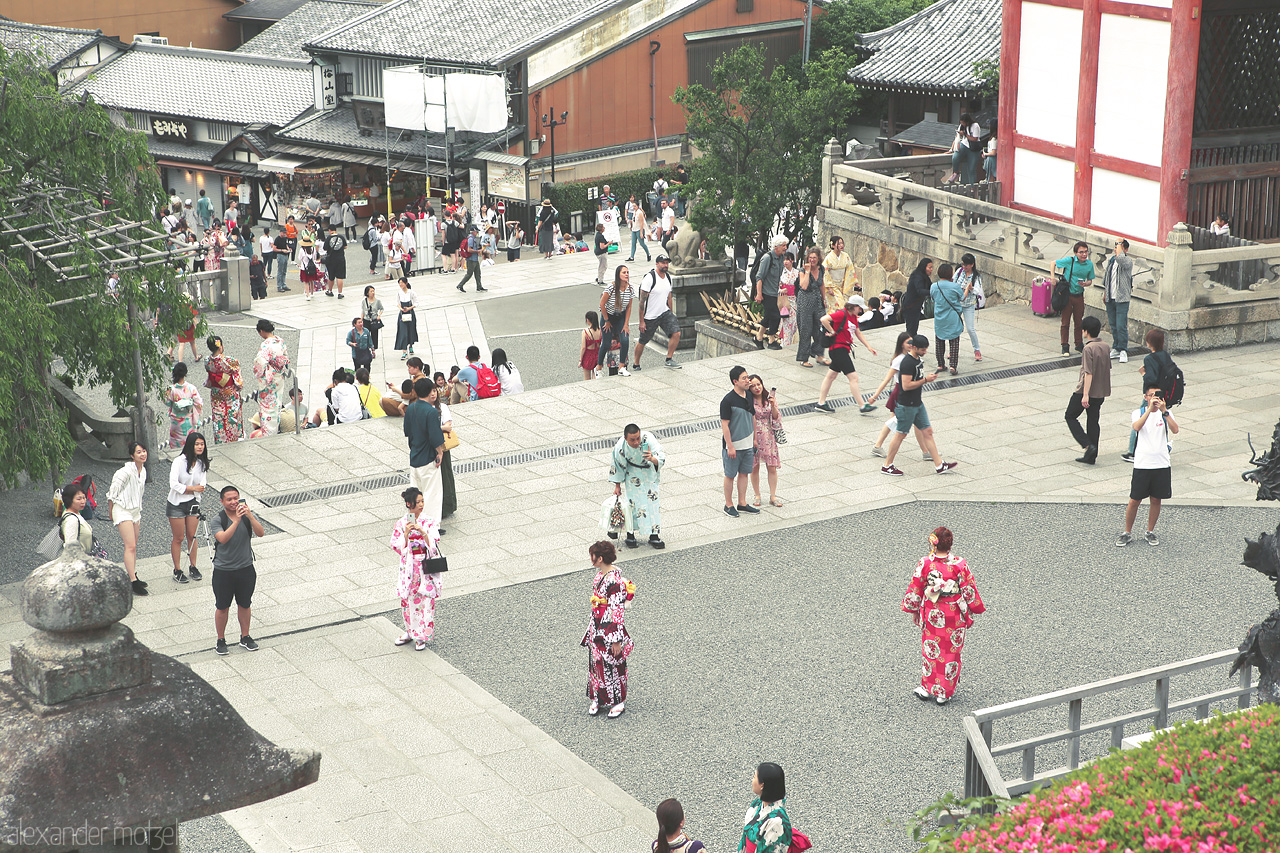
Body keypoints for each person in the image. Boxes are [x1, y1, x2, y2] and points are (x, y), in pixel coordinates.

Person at [900, 526, 985, 704]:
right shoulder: (959, 564)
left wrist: (914, 611)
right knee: (950, 651)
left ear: (933, 543)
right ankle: (944, 692)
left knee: (931, 649)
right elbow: (969, 589)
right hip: (953, 613)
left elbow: (916, 587)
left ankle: (926, 688)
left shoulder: (925, 563)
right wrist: (973, 608)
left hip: (932, 611)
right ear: (950, 544)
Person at [881, 336, 959, 477]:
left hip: (917, 403)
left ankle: (939, 465)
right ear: (914, 348)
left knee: (927, 431)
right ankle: (887, 465)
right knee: (901, 434)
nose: (925, 352)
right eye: (923, 349)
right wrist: (925, 380)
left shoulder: (917, 360)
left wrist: (925, 378)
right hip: (906, 405)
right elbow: (906, 385)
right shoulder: (907, 363)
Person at [1117, 386, 1178, 547]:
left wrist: (1164, 411)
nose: (1155, 398)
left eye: (1157, 395)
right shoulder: (1138, 412)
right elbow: (1136, 427)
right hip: (1143, 463)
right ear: (1146, 397)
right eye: (1152, 395)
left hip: (1161, 462)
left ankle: (1150, 531)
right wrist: (1149, 410)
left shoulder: (1166, 413)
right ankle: (1127, 532)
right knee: (1134, 500)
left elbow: (1175, 429)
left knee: (1156, 499)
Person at [580, 540, 634, 718]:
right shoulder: (600, 576)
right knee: (596, 664)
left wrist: (616, 639)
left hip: (610, 627)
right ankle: (598, 697)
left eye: (592, 556)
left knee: (614, 663)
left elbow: (616, 611)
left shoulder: (615, 582)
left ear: (600, 558)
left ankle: (618, 701)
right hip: (597, 624)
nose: (591, 559)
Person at [209, 485, 265, 655]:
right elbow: (223, 538)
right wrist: (236, 521)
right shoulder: (217, 520)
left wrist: (250, 517)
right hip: (223, 571)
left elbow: (260, 533)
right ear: (222, 501)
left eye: (236, 498)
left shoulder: (247, 516)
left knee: (245, 603)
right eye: (229, 499)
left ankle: (245, 636)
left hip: (245, 568)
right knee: (222, 606)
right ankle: (220, 639)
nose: (234, 502)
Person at [389, 487, 443, 650]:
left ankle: (422, 636)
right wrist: (406, 534)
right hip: (409, 565)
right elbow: (396, 546)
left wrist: (422, 532)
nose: (421, 505)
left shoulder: (428, 521)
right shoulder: (401, 523)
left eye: (422, 501)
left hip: (424, 564)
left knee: (425, 599)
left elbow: (434, 542)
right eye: (417, 502)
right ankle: (410, 631)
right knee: (408, 599)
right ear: (409, 504)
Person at [869, 332, 930, 460]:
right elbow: (887, 379)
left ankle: (925, 451)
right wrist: (875, 396)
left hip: (906, 393)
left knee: (901, 422)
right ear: (901, 344)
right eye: (908, 342)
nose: (910, 344)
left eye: (911, 342)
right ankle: (878, 445)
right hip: (901, 393)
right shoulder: (900, 360)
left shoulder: (909, 357)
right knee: (895, 422)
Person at [814, 299, 878, 414]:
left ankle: (821, 403)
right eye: (859, 308)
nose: (860, 310)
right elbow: (824, 319)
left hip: (841, 349)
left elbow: (858, 333)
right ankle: (862, 405)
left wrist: (869, 347)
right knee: (853, 377)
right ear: (853, 307)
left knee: (831, 376)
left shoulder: (853, 317)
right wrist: (832, 331)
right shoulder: (841, 314)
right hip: (839, 349)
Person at [608, 423, 666, 549]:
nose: (636, 442)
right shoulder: (620, 446)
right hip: (632, 474)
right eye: (632, 440)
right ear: (625, 438)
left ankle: (654, 535)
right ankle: (630, 534)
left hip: (649, 473)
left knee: (652, 503)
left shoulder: (648, 438)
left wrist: (652, 458)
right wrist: (617, 486)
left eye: (637, 438)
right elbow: (617, 465)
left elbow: (661, 456)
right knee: (632, 504)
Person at [1065, 315, 1112, 465]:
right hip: (1100, 391)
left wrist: (1085, 394)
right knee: (1093, 421)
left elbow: (1088, 372)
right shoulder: (1105, 346)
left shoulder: (1088, 348)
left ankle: (1087, 445)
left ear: (1085, 331)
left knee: (1070, 416)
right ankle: (1092, 454)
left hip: (1086, 391)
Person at [106, 442, 149, 595]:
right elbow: (112, 493)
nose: (142, 454)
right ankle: (132, 581)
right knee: (129, 545)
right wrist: (111, 512)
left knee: (134, 545)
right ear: (132, 456)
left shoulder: (142, 470)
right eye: (139, 452)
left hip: (135, 511)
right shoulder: (123, 472)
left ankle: (133, 574)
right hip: (122, 509)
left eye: (144, 451)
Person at [167, 431, 209, 584]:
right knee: (179, 537)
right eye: (197, 444)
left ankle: (193, 566)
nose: (200, 447)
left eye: (202, 444)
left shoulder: (201, 463)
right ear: (190, 445)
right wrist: (193, 488)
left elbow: (202, 485)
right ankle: (177, 569)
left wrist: (194, 490)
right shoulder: (179, 461)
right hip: (177, 503)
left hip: (193, 502)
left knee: (192, 535)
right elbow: (174, 484)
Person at [1124, 328, 1171, 463]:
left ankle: (1132, 451)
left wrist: (1143, 373)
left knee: (1140, 418)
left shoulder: (1149, 358)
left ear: (1150, 343)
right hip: (1164, 393)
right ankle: (1164, 445)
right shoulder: (1165, 355)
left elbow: (1150, 379)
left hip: (1152, 394)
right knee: (1163, 417)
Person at [405, 377, 446, 525]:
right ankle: (431, 526)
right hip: (428, 459)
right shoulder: (431, 412)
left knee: (414, 496)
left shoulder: (410, 408)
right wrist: (440, 452)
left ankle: (411, 522)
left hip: (414, 457)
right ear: (429, 392)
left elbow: (408, 433)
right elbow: (435, 437)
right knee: (431, 494)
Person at [632, 255, 683, 371]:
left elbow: (669, 296)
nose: (665, 265)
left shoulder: (668, 277)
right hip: (650, 315)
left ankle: (669, 359)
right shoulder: (650, 278)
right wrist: (641, 321)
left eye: (667, 263)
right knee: (643, 340)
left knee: (676, 333)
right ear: (657, 264)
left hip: (664, 312)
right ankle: (636, 363)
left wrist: (671, 312)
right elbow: (641, 302)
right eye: (663, 263)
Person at [721, 366, 759, 518]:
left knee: (744, 473)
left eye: (747, 377)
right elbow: (725, 424)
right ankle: (728, 504)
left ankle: (742, 503)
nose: (747, 380)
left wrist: (755, 439)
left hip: (748, 443)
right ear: (735, 381)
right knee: (730, 474)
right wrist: (729, 446)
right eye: (744, 378)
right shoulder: (727, 401)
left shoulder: (749, 395)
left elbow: (753, 417)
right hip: (734, 445)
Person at [738, 763, 792, 853]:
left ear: (762, 785)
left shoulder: (777, 822)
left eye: (754, 777)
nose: (752, 781)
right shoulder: (757, 804)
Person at [748, 375, 783, 508]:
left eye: (758, 384)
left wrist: (773, 405)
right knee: (754, 466)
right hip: (754, 435)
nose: (756, 388)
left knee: (772, 466)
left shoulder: (769, 399)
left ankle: (773, 495)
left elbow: (776, 418)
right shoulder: (749, 401)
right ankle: (757, 494)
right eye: (753, 386)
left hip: (768, 435)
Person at [1054, 241, 1095, 355]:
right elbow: (1053, 263)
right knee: (1065, 322)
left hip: (1079, 295)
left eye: (1086, 252)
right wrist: (1052, 278)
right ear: (1076, 253)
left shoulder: (1089, 264)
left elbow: (1090, 280)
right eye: (1081, 252)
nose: (1084, 254)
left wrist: (1086, 284)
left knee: (1079, 322)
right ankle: (1065, 345)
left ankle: (1079, 344)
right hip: (1068, 295)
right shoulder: (1069, 261)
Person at [204, 335, 244, 444]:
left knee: (218, 415)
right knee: (232, 413)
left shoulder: (207, 361)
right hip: (229, 391)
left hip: (216, 392)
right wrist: (238, 386)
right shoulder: (230, 361)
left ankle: (220, 440)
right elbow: (238, 380)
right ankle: (233, 439)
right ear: (220, 347)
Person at [253, 319, 290, 435]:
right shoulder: (280, 341)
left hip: (269, 380)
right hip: (279, 378)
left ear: (262, 331)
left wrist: (258, 373)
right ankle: (275, 429)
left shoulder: (266, 345)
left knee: (267, 408)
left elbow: (260, 363)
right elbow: (285, 358)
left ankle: (268, 433)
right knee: (276, 405)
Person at [795, 248, 828, 368]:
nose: (812, 260)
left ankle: (818, 353)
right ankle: (803, 358)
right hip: (805, 302)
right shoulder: (803, 270)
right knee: (806, 330)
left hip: (817, 301)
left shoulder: (822, 269)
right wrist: (808, 271)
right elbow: (803, 286)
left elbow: (822, 284)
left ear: (818, 258)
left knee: (824, 327)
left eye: (814, 257)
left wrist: (824, 299)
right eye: (810, 257)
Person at [1101, 239, 1133, 363]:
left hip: (1122, 298)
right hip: (1110, 297)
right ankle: (1116, 347)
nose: (1116, 250)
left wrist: (1120, 244)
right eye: (1115, 247)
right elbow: (1107, 278)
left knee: (1121, 325)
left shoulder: (1127, 261)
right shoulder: (1111, 261)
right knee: (1113, 324)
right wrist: (1105, 293)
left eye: (1118, 247)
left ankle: (1123, 349)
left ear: (1125, 249)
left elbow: (1121, 258)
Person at [428, 384, 457, 526]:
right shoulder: (425, 408)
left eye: (434, 391)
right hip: (429, 446)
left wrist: (433, 428)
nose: (433, 394)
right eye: (430, 392)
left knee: (445, 475)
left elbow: (448, 426)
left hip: (442, 446)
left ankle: (447, 506)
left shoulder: (442, 407)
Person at [598, 266, 634, 377]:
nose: (626, 274)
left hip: (620, 315)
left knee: (625, 339)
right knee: (607, 342)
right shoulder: (611, 288)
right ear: (618, 274)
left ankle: (621, 366)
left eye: (627, 272)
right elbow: (602, 304)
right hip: (608, 315)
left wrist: (626, 324)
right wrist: (607, 320)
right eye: (624, 272)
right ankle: (598, 367)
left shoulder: (630, 289)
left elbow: (629, 307)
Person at [930, 263, 965, 375]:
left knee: (939, 341)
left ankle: (940, 364)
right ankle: (953, 367)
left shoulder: (934, 286)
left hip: (940, 317)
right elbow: (962, 298)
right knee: (954, 341)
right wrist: (968, 289)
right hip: (953, 317)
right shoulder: (955, 287)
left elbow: (932, 298)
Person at [753, 236, 787, 349]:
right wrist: (759, 294)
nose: (785, 248)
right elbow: (759, 277)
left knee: (768, 316)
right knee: (776, 316)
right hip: (766, 293)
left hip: (775, 292)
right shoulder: (767, 258)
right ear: (776, 247)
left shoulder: (781, 258)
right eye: (783, 246)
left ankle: (758, 337)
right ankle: (771, 339)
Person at [952, 254, 983, 362]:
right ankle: (953, 351)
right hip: (957, 303)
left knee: (970, 328)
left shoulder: (976, 276)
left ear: (972, 265)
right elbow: (953, 281)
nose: (964, 267)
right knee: (954, 328)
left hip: (968, 304)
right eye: (963, 264)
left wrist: (971, 288)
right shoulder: (960, 271)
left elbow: (977, 291)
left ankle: (977, 350)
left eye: (966, 265)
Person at [165, 362, 203, 449]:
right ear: (185, 373)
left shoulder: (171, 389)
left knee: (176, 444)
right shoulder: (191, 388)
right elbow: (199, 403)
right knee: (190, 441)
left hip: (176, 421)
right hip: (188, 420)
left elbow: (167, 402)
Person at [58, 482, 96, 553]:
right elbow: (70, 547)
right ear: (69, 500)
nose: (83, 501)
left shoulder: (75, 513)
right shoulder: (71, 520)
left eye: (84, 498)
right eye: (79, 499)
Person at [902, 258, 934, 337]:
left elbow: (931, 286)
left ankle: (912, 346)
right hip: (911, 307)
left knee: (913, 329)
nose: (931, 270)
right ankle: (909, 346)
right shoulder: (917, 276)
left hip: (916, 307)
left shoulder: (925, 277)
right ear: (924, 267)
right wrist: (933, 292)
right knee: (911, 331)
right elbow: (920, 290)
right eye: (929, 267)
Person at [948, 112, 983, 184]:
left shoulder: (975, 126)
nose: (963, 124)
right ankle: (956, 172)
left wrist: (965, 134)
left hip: (974, 147)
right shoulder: (961, 126)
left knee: (971, 169)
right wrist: (951, 149)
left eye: (963, 123)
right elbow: (957, 138)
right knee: (955, 157)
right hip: (964, 144)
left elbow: (975, 139)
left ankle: (972, 187)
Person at [823, 235, 855, 303]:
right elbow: (825, 272)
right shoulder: (829, 258)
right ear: (833, 245)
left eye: (842, 243)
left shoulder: (845, 256)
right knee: (839, 304)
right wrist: (829, 287)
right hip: (833, 286)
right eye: (839, 243)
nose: (841, 245)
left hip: (842, 285)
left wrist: (855, 282)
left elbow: (850, 269)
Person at [777, 252, 799, 348]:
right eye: (784, 260)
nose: (785, 262)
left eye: (788, 259)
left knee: (795, 323)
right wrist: (781, 290)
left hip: (795, 300)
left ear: (792, 261)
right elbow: (776, 285)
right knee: (786, 323)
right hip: (785, 300)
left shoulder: (797, 273)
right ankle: (785, 344)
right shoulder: (781, 272)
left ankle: (791, 343)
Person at [394, 277, 419, 360]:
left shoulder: (411, 293)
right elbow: (397, 302)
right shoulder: (399, 293)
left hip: (410, 313)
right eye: (399, 283)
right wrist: (401, 308)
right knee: (403, 332)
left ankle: (410, 345)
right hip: (402, 314)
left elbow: (416, 303)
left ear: (406, 283)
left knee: (410, 330)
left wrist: (409, 308)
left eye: (402, 283)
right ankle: (404, 352)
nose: (401, 284)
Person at [457, 225, 487, 292]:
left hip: (474, 259)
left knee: (478, 273)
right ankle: (460, 285)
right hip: (471, 259)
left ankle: (479, 286)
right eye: (476, 231)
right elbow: (469, 249)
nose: (477, 233)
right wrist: (477, 251)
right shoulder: (471, 239)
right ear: (473, 232)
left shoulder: (472, 238)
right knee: (469, 274)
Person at [323, 228, 348, 298]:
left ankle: (330, 291)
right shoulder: (341, 237)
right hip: (340, 259)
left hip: (331, 260)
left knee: (331, 276)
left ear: (330, 231)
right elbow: (345, 246)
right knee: (340, 277)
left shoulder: (328, 238)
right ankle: (340, 293)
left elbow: (325, 248)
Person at [361, 285, 385, 355]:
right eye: (371, 291)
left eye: (373, 291)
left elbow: (381, 308)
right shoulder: (364, 301)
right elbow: (363, 311)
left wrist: (379, 315)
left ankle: (373, 350)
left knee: (374, 335)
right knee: (366, 335)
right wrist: (361, 320)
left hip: (374, 320)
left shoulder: (377, 301)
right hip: (366, 320)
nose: (373, 292)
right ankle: (367, 349)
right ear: (367, 293)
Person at [626, 197, 651, 262]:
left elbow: (642, 223)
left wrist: (641, 232)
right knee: (633, 243)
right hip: (634, 229)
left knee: (642, 243)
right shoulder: (634, 212)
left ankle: (648, 254)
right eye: (633, 206)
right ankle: (632, 256)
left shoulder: (640, 213)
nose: (634, 207)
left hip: (639, 229)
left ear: (637, 206)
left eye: (635, 206)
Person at [581, 311, 602, 380]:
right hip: (597, 355)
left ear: (588, 320)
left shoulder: (585, 332)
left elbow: (583, 347)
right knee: (595, 375)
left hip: (588, 355)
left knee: (587, 378)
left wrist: (580, 359)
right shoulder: (600, 331)